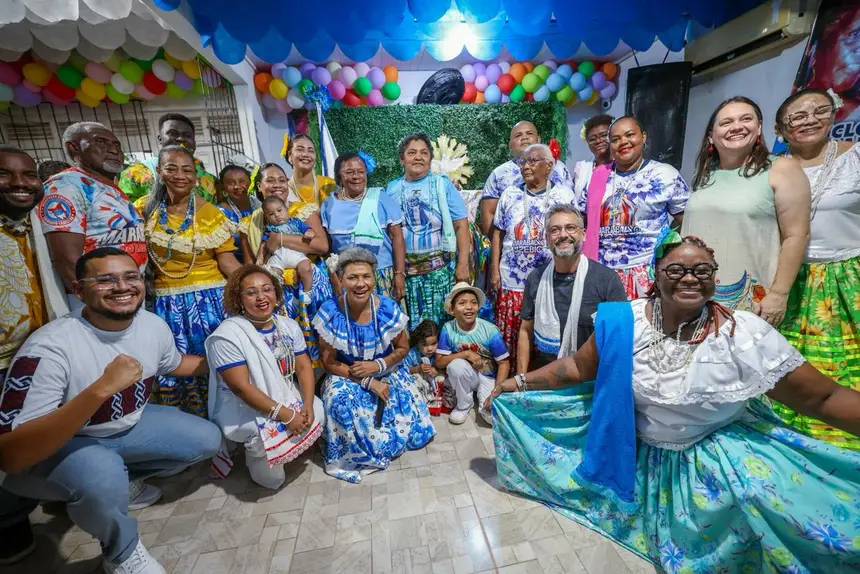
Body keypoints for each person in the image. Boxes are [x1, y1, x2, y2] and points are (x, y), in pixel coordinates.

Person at [487, 235, 860, 573]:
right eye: (676, 269)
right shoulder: (624, 321)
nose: (690, 277)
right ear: (656, 274)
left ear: (715, 277)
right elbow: (576, 367)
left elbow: (823, 397)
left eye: (702, 270)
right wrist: (518, 382)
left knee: (797, 522)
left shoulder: (744, 334)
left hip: (721, 451)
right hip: (643, 455)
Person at [0, 247, 221, 573]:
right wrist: (101, 388)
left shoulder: (150, 325)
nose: (122, 287)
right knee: (99, 472)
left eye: (131, 277)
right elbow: (11, 456)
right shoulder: (48, 348)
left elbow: (174, 365)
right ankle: (121, 552)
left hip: (120, 431)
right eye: (105, 280)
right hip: (56, 446)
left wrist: (231, 361)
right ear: (78, 290)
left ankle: (111, 484)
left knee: (206, 438)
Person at [773, 88, 860, 449]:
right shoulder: (773, 169)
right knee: (793, 367)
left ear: (834, 114)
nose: (809, 120)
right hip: (792, 280)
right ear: (781, 130)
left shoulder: (855, 157)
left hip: (849, 277)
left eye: (818, 111)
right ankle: (801, 445)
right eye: (797, 116)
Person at [313, 248, 435, 483]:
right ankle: (353, 452)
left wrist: (378, 366)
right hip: (346, 374)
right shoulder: (330, 311)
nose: (360, 284)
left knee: (399, 406)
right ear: (341, 279)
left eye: (366, 276)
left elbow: (402, 349)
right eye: (352, 277)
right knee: (340, 401)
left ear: (374, 278)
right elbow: (328, 362)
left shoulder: (387, 307)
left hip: (387, 370)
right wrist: (368, 381)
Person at [684, 96, 810, 324]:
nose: (737, 126)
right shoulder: (704, 175)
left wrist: (778, 295)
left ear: (759, 127)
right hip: (694, 296)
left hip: (750, 302)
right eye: (726, 122)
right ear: (711, 135)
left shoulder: (782, 169)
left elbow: (796, 236)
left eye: (746, 119)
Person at [135, 146, 241, 417]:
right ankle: (191, 426)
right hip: (165, 306)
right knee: (175, 367)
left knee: (217, 364)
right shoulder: (142, 212)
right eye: (172, 168)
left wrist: (257, 283)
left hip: (210, 305)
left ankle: (227, 429)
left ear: (196, 176)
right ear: (159, 172)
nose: (180, 175)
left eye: (187, 170)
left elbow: (228, 263)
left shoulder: (212, 214)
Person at [205, 265, 324, 489]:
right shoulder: (227, 335)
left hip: (284, 392)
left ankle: (286, 449)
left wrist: (306, 402)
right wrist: (287, 415)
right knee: (270, 471)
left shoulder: (288, 325)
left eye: (267, 289)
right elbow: (241, 388)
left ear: (276, 293)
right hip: (244, 407)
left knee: (317, 411)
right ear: (238, 300)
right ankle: (259, 458)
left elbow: (303, 366)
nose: (261, 297)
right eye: (251, 292)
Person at [39, 122, 146, 312]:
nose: (113, 150)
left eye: (117, 145)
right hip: (99, 302)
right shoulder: (65, 186)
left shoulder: (107, 186)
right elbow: (66, 259)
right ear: (74, 148)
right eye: (101, 142)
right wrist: (96, 306)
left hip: (125, 295)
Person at [489, 143, 576, 365]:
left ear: (549, 166)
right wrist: (494, 271)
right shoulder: (509, 194)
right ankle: (514, 382)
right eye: (522, 162)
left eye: (532, 161)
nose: (525, 166)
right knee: (513, 335)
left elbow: (574, 233)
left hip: (551, 279)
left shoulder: (563, 194)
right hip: (513, 280)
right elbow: (498, 232)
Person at [238, 163, 333, 366]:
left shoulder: (304, 211)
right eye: (270, 180)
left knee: (319, 343)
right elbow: (250, 265)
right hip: (275, 289)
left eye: (282, 180)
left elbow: (321, 245)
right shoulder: (250, 223)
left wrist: (280, 238)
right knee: (286, 350)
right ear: (259, 187)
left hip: (308, 285)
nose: (278, 185)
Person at [585, 116, 691, 298]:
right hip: (603, 275)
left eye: (629, 135)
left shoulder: (665, 174)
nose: (623, 142)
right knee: (606, 325)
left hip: (647, 275)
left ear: (643, 136)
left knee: (646, 325)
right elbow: (587, 223)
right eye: (615, 139)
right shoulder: (597, 176)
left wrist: (668, 244)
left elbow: (687, 221)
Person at [518, 204, 627, 373]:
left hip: (591, 379)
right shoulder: (536, 279)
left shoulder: (607, 280)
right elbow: (526, 330)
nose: (563, 235)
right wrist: (521, 379)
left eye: (570, 228)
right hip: (545, 378)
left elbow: (618, 338)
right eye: (555, 230)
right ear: (547, 239)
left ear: (583, 234)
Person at [386, 133, 472, 330]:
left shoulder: (442, 185)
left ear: (430, 159)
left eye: (424, 153)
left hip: (440, 272)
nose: (418, 157)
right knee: (412, 330)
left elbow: (461, 225)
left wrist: (463, 264)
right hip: (406, 275)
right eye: (412, 153)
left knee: (440, 327)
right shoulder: (391, 189)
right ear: (402, 159)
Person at [321, 152, 406, 300]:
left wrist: (399, 274)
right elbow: (327, 247)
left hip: (381, 277)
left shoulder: (380, 198)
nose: (356, 176)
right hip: (347, 280)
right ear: (339, 176)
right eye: (349, 172)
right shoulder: (329, 205)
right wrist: (334, 275)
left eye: (361, 172)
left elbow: (397, 237)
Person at [0, 147, 47, 382]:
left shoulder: (43, 224)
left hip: (44, 355)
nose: (20, 183)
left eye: (30, 175)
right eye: (3, 173)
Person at [480, 121, 573, 237]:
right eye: (518, 135)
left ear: (538, 139)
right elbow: (489, 213)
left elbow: (570, 205)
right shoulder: (498, 174)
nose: (524, 137)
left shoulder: (558, 168)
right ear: (510, 144)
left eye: (529, 133)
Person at [436, 283, 510, 425]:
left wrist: (496, 392)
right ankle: (464, 404)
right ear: (452, 309)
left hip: (488, 376)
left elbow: (504, 362)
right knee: (455, 366)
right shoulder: (448, 329)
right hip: (466, 375)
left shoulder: (490, 330)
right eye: (462, 303)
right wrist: (466, 354)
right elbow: (439, 361)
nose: (469, 307)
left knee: (491, 418)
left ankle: (484, 398)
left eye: (473, 303)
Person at [118, 113, 217, 203]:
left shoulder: (209, 178)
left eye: (187, 135)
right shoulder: (135, 174)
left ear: (194, 142)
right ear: (160, 139)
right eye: (173, 133)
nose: (181, 139)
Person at [572, 115, 613, 259]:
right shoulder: (583, 169)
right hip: (589, 240)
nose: (599, 141)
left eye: (604, 135)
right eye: (592, 139)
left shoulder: (622, 168)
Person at [255, 196, 316, 295]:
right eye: (271, 214)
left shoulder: (296, 222)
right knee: (271, 275)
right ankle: (276, 294)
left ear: (286, 209)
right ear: (267, 217)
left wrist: (309, 232)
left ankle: (307, 292)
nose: (277, 215)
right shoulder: (269, 228)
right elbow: (263, 244)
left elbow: (308, 229)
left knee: (306, 268)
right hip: (278, 256)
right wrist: (260, 257)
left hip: (296, 254)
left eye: (279, 210)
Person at [215, 164, 260, 261]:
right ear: (223, 186)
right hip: (236, 262)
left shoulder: (258, 205)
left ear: (249, 182)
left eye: (241, 181)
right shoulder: (219, 213)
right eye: (230, 183)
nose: (237, 186)